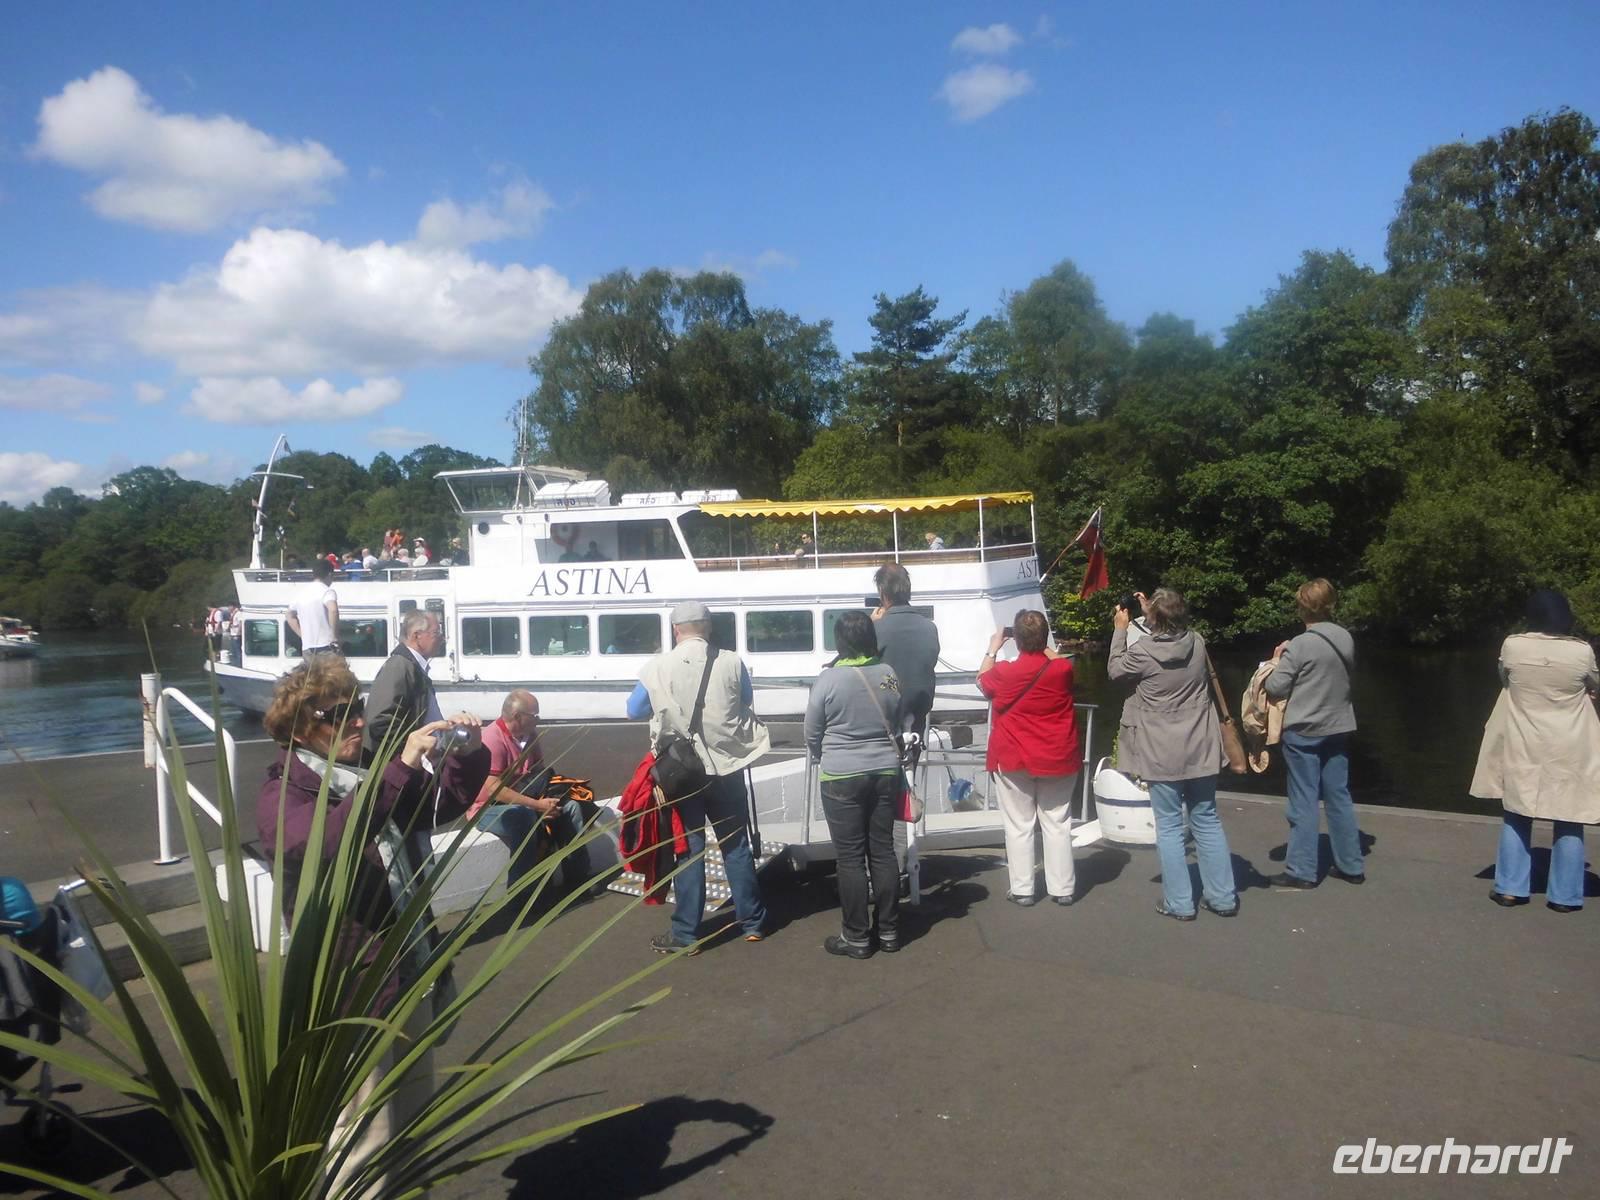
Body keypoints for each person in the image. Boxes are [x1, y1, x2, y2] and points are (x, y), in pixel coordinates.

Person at [255, 655, 487, 1195]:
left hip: (407, 973)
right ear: (299, 727)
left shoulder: (361, 775)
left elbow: (437, 807)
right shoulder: (284, 791)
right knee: (364, 1142)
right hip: (353, 990)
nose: (357, 720)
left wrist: (465, 756)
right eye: (338, 714)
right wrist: (397, 769)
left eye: (356, 707)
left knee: (412, 1128)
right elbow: (322, 846)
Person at [626, 600, 770, 953]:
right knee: (735, 846)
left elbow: (634, 710)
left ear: (676, 629)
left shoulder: (658, 666)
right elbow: (745, 701)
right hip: (727, 767)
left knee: (689, 849)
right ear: (709, 627)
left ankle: (686, 934)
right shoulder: (732, 661)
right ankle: (752, 922)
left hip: (682, 772)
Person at [1109, 588, 1238, 920]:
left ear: (1153, 619)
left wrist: (1121, 628)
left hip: (1160, 751)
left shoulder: (1142, 652)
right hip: (1200, 746)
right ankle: (1222, 898)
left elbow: (1115, 670)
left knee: (1168, 827)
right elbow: (1170, 634)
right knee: (1206, 820)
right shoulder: (1197, 642)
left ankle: (1180, 903)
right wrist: (1151, 612)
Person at [1470, 589, 1600, 913]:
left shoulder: (1513, 645)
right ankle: (1565, 897)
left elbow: (1505, 680)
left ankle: (1510, 889)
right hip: (1569, 742)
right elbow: (1594, 683)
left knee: (1517, 810)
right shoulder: (1581, 651)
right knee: (1570, 815)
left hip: (1523, 738)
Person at [805, 611, 904, 957]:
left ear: (840, 642)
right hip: (885, 771)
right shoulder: (888, 674)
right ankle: (889, 931)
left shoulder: (828, 680)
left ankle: (857, 936)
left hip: (841, 774)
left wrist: (826, 754)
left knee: (850, 858)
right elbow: (895, 711)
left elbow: (811, 732)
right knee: (883, 850)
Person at [1263, 578, 1362, 890]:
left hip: (1304, 730)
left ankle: (1302, 870)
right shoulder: (1345, 638)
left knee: (1303, 800)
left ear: (1301, 607)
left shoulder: (1301, 644)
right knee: (1339, 795)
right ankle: (1351, 865)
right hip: (1339, 726)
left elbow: (1275, 687)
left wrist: (1277, 660)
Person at [978, 611, 1081, 907]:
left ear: (1017, 640)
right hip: (1058, 756)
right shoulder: (1062, 670)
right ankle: (1062, 888)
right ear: (1046, 638)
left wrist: (993, 648)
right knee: (1057, 822)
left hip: (1014, 757)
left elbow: (982, 681)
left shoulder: (1005, 673)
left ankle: (1023, 889)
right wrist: (1040, 641)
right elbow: (1055, 659)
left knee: (1019, 824)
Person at [467, 690, 594, 890]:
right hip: (488, 807)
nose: (538, 720)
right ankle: (521, 892)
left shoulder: (530, 736)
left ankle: (577, 879)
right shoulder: (492, 739)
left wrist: (546, 802)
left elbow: (538, 773)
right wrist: (537, 806)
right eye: (535, 716)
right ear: (518, 717)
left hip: (529, 797)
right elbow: (494, 789)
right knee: (523, 818)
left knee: (572, 807)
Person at [363, 609, 446, 763]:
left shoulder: (412, 668)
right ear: (417, 636)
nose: (442, 639)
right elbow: (380, 722)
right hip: (400, 768)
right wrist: (409, 755)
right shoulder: (399, 667)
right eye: (436, 633)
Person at [871, 563, 940, 737]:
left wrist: (870, 625)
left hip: (884, 719)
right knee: (910, 763)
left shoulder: (877, 629)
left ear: (882, 593)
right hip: (918, 717)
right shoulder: (929, 627)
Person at [286, 558, 340, 657]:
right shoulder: (327, 591)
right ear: (329, 574)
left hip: (307, 648)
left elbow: (289, 615)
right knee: (341, 672)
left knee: (313, 673)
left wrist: (302, 635)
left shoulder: (301, 593)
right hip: (326, 646)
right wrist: (334, 636)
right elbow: (333, 610)